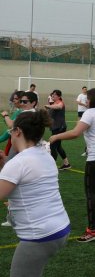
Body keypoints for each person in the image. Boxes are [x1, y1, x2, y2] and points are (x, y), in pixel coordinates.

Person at [0, 110, 70, 277]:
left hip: (40, 235)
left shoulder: (19, 162)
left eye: (11, 132)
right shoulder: (45, 155)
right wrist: (3, 167)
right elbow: (23, 182)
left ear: (18, 131)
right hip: (59, 228)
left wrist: (6, 167)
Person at [49, 87, 95, 241]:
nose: (86, 100)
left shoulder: (91, 113)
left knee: (91, 192)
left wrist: (55, 137)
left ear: (94, 99)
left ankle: (93, 229)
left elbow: (75, 133)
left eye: (88, 98)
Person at [44, 90, 70, 169]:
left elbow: (59, 107)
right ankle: (66, 163)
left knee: (52, 146)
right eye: (52, 95)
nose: (53, 96)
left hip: (60, 127)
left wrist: (49, 106)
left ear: (59, 96)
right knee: (58, 146)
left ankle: (52, 165)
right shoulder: (53, 104)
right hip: (55, 127)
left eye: (55, 95)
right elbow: (49, 115)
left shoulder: (60, 103)